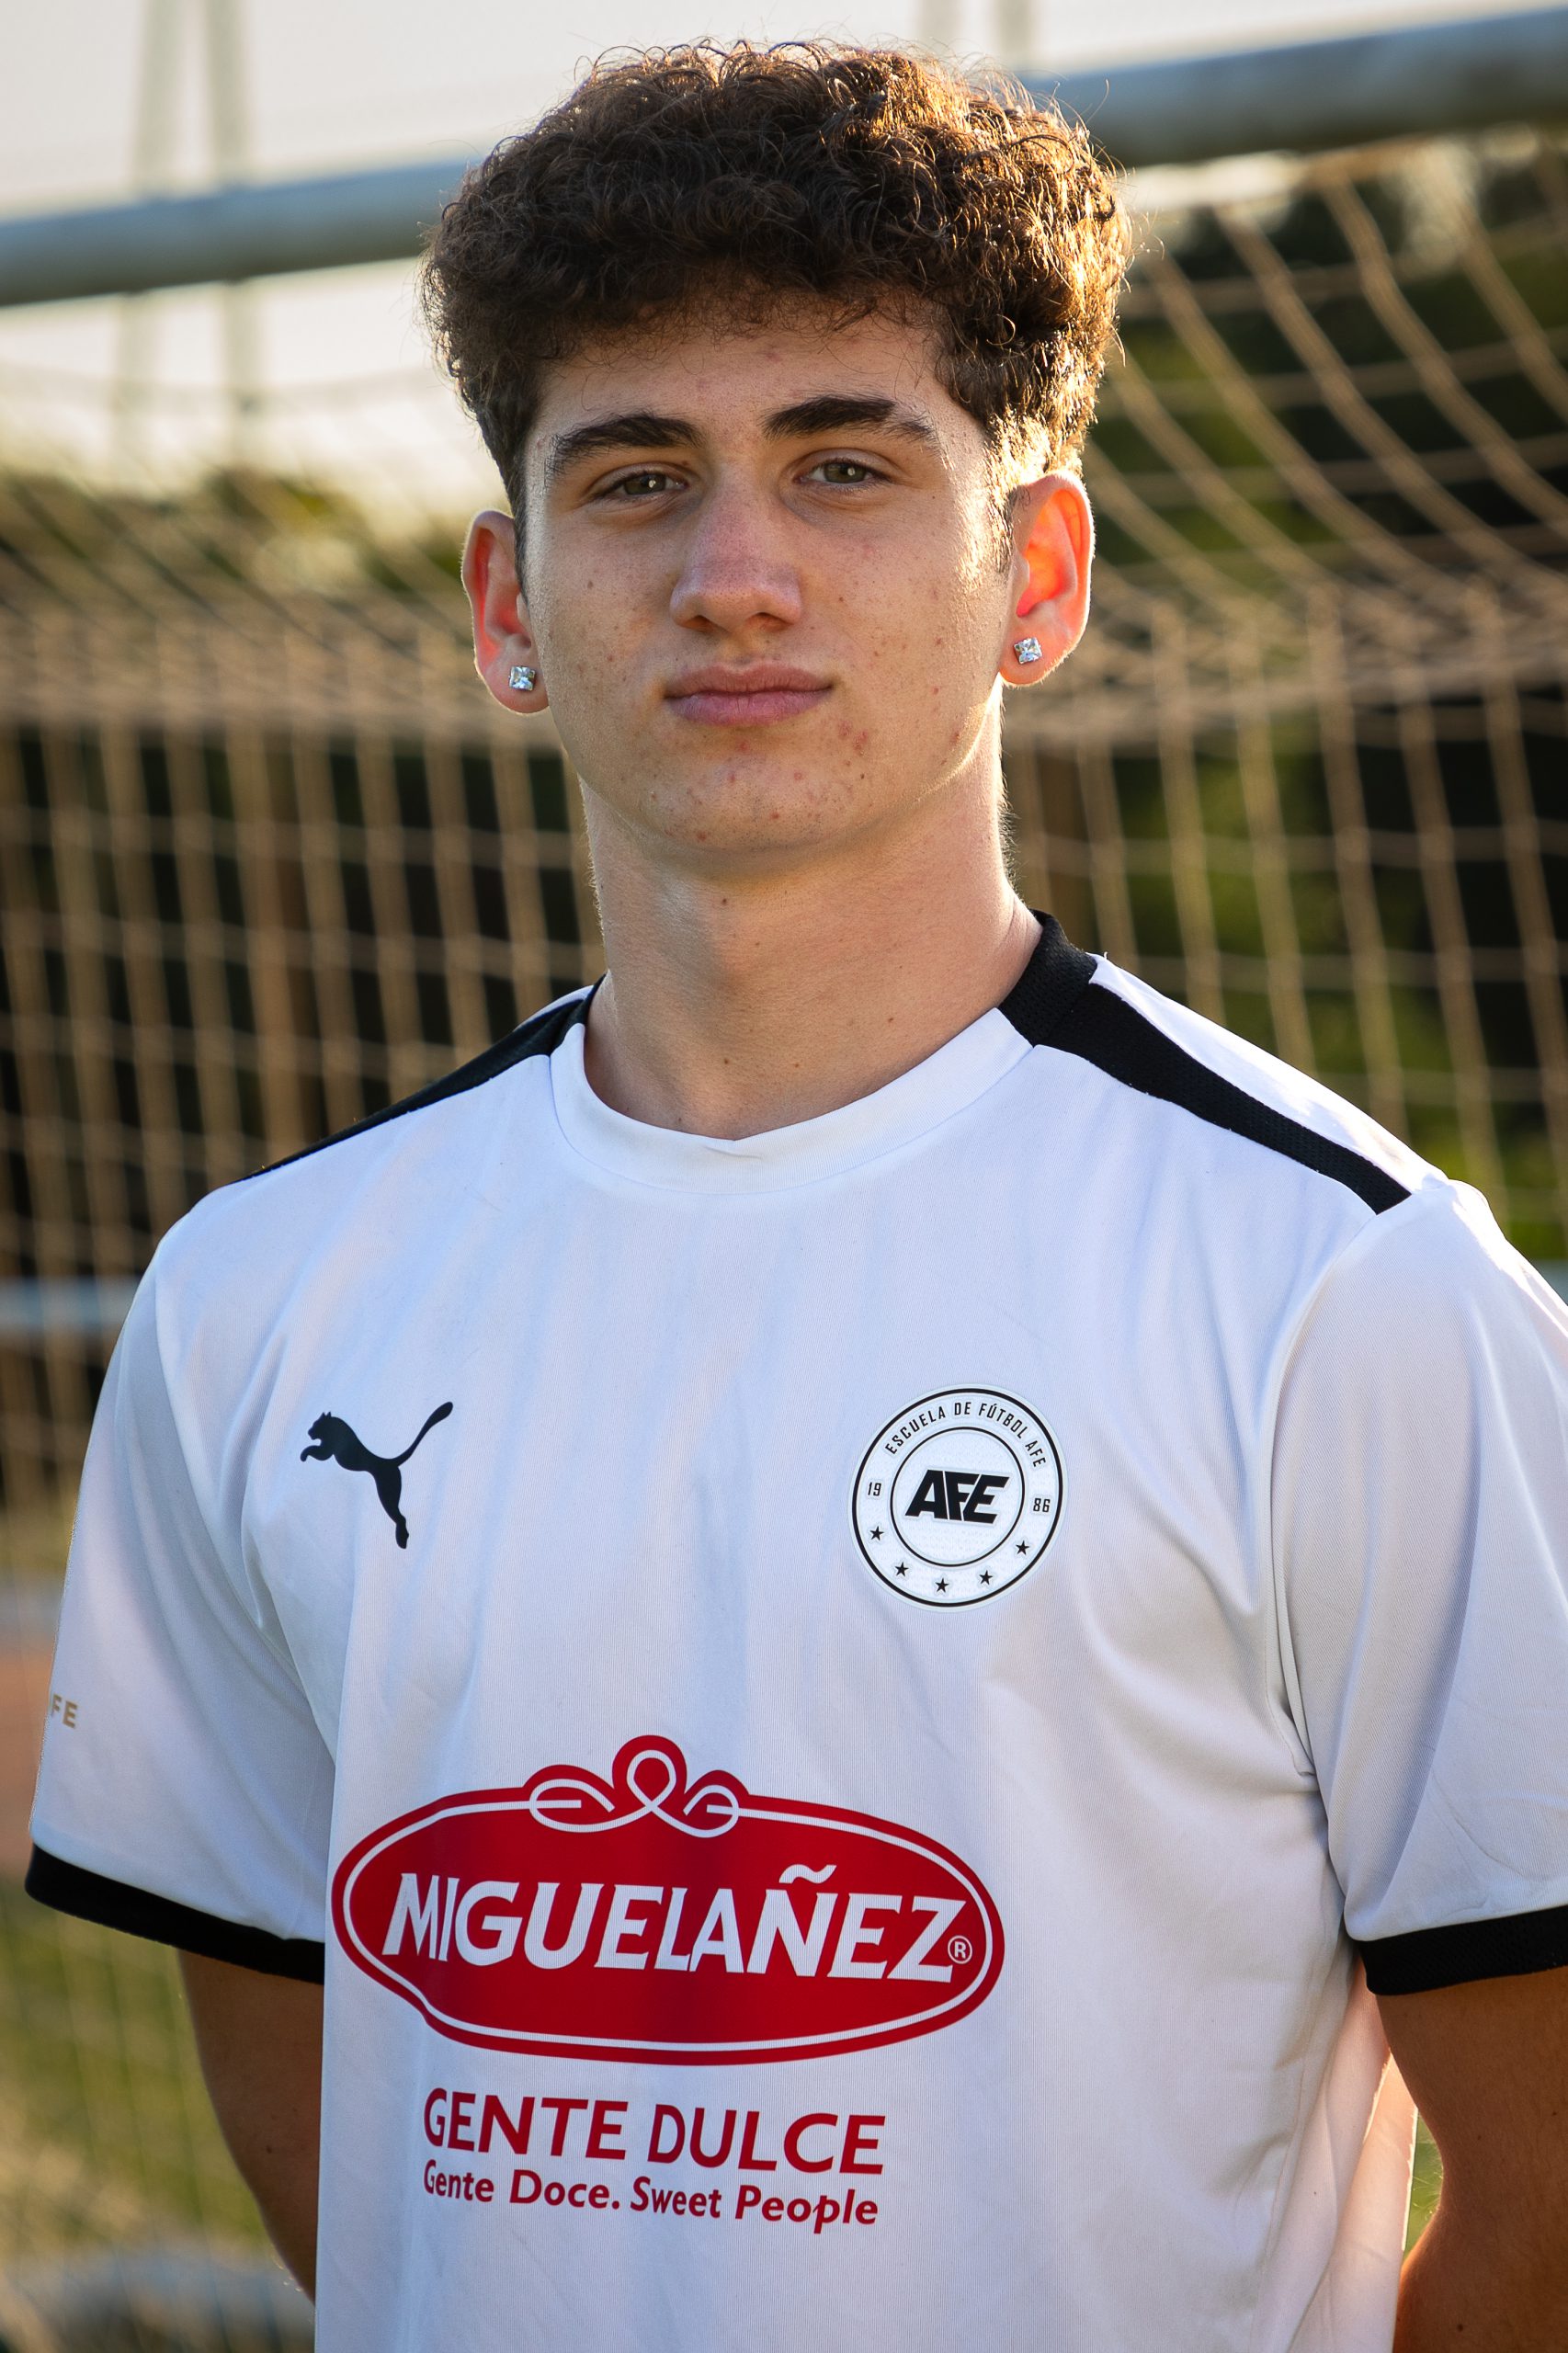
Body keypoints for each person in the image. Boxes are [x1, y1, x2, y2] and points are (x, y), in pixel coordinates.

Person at [27, 41, 1568, 2353]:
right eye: (635, 478)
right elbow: (301, 2078)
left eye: (846, 465)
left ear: (1034, 572)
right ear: (506, 599)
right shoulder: (261, 1294)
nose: (732, 576)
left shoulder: (1345, 1290)